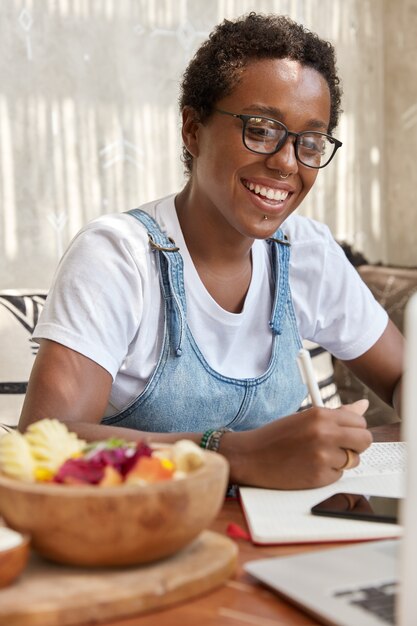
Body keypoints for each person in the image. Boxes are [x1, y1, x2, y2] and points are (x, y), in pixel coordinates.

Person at [19, 13, 404, 490]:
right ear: (192, 129)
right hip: (152, 538)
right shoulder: (119, 257)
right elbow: (45, 439)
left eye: (309, 141)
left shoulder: (306, 252)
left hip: (291, 535)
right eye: (261, 129)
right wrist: (233, 453)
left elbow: (405, 376)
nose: (287, 163)